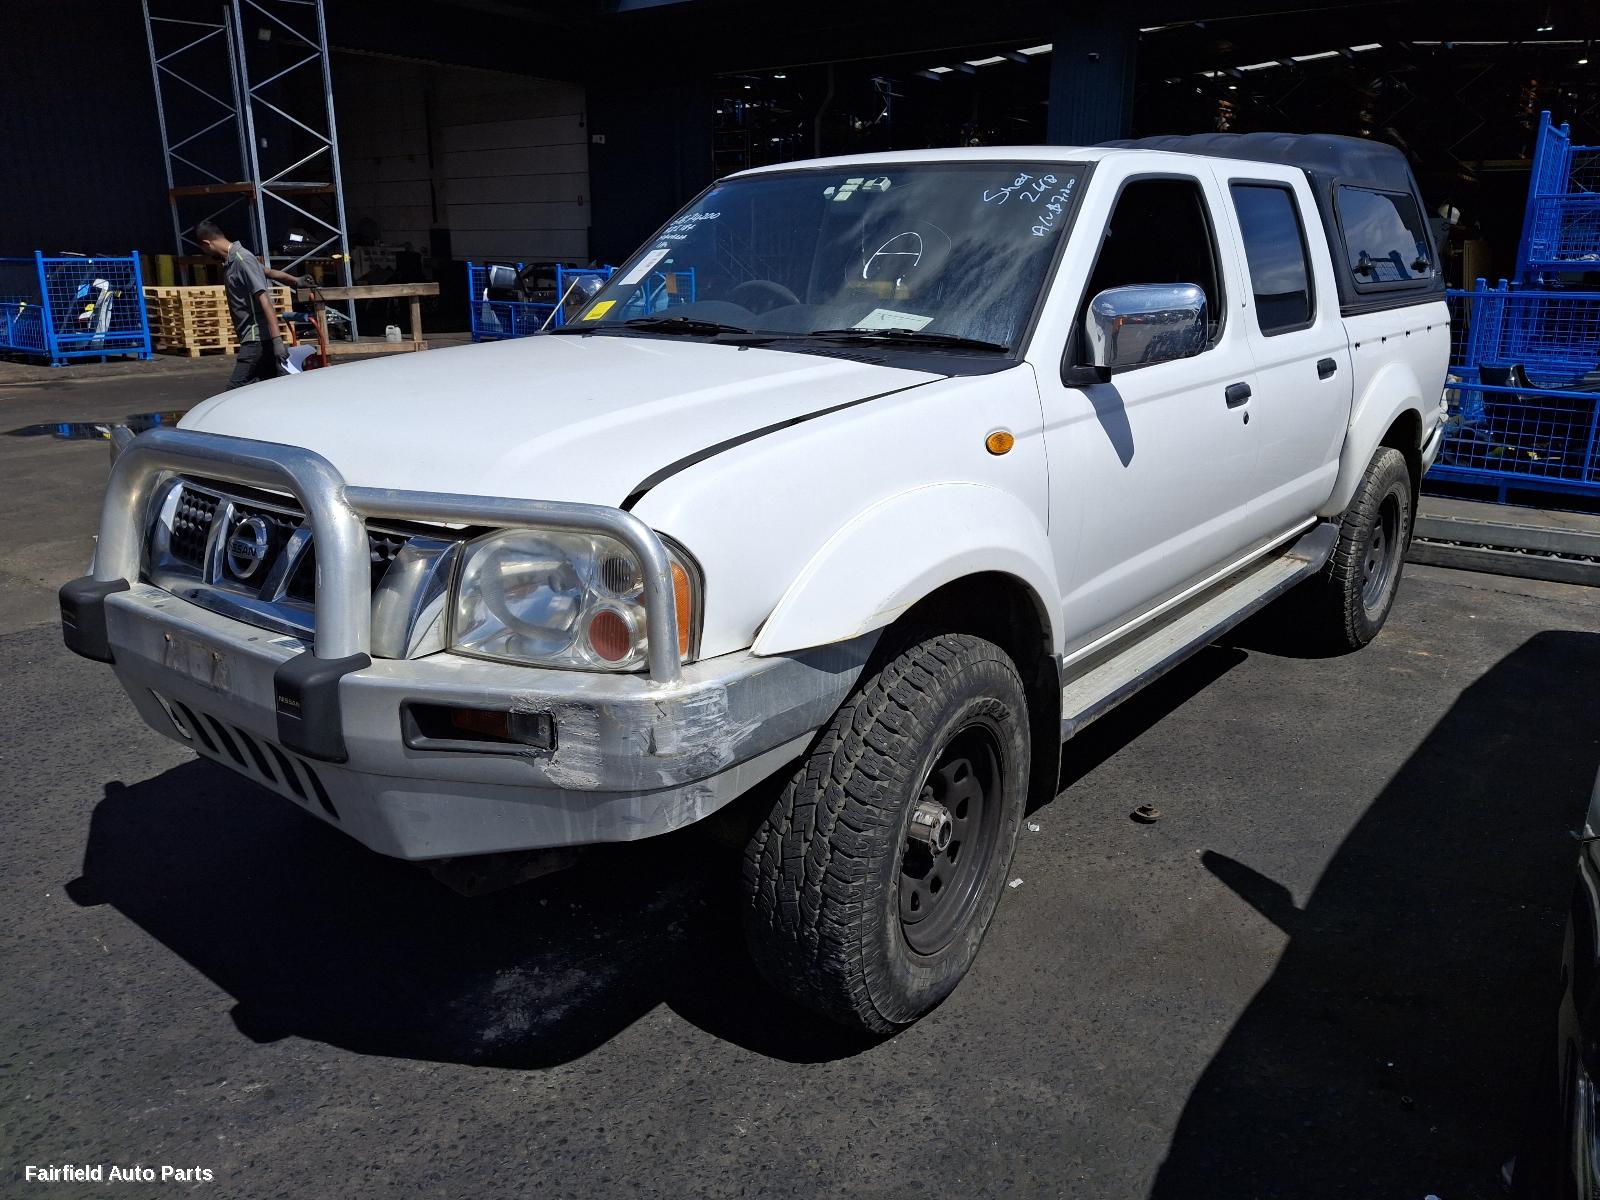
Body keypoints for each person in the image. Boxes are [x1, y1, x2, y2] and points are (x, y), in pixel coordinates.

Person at [194, 220, 307, 389]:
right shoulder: (234, 259)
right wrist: (296, 280)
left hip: (255, 338)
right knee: (268, 386)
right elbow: (268, 272)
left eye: (204, 250)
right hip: (256, 338)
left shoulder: (242, 259)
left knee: (234, 389)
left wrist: (277, 341)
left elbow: (265, 300)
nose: (206, 253)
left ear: (207, 243)